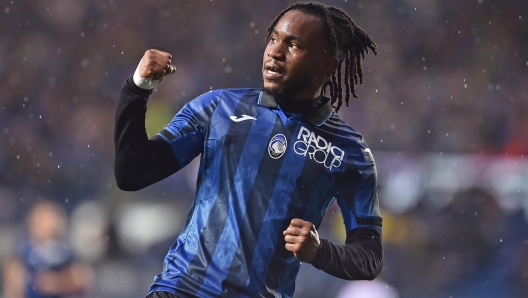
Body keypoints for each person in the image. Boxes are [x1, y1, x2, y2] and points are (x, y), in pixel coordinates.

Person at [114, 2, 383, 297]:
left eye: (293, 44)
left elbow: (369, 257)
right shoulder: (218, 107)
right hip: (181, 290)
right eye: (273, 38)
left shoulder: (349, 151)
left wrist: (320, 251)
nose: (274, 52)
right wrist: (137, 88)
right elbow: (132, 172)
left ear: (326, 65)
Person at [3, 200, 93, 298]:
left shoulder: (65, 252)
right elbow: (14, 286)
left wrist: (57, 283)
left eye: (55, 219)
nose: (52, 224)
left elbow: (83, 279)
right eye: (46, 220)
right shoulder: (23, 252)